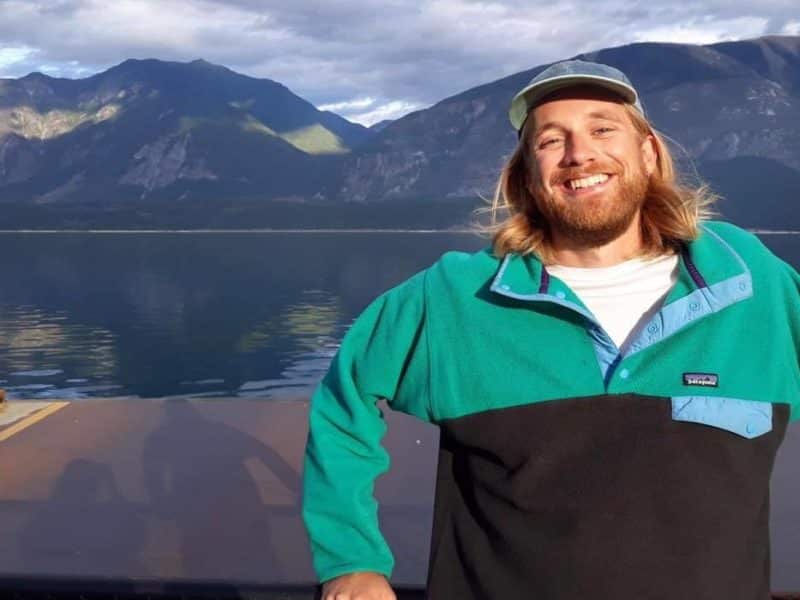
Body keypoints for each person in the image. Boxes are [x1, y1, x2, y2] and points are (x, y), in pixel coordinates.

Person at [302, 59, 800, 600]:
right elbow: (343, 404)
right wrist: (351, 560)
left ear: (649, 153)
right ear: (524, 176)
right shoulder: (454, 297)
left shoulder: (753, 284)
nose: (579, 153)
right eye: (550, 140)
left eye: (603, 128)